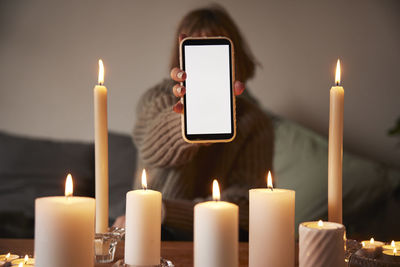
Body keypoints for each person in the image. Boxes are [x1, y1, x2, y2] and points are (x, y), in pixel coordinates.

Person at [114, 4, 273, 240]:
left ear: (234, 57)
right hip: (148, 232)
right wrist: (187, 122)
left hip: (218, 235)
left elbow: (247, 205)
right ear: (181, 60)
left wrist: (167, 211)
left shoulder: (255, 122)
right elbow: (150, 146)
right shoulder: (155, 99)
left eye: (215, 56)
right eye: (197, 56)